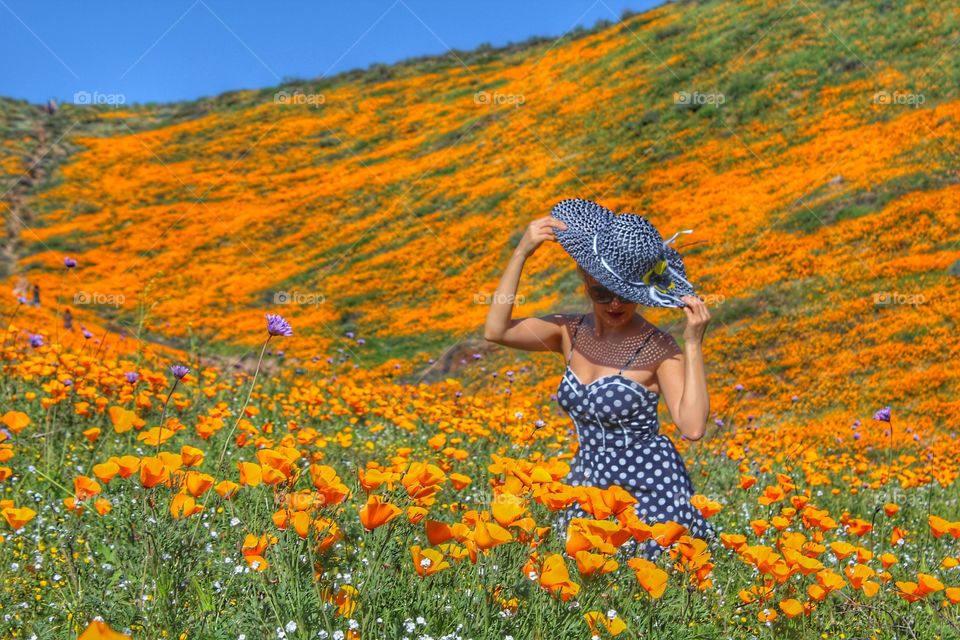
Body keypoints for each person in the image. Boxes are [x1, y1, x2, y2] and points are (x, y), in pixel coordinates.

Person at [484, 198, 717, 560]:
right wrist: (520, 255)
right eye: (601, 293)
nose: (614, 304)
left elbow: (692, 427)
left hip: (650, 490)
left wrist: (692, 343)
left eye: (626, 295)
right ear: (585, 280)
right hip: (588, 483)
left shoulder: (658, 347)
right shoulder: (567, 331)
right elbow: (496, 330)